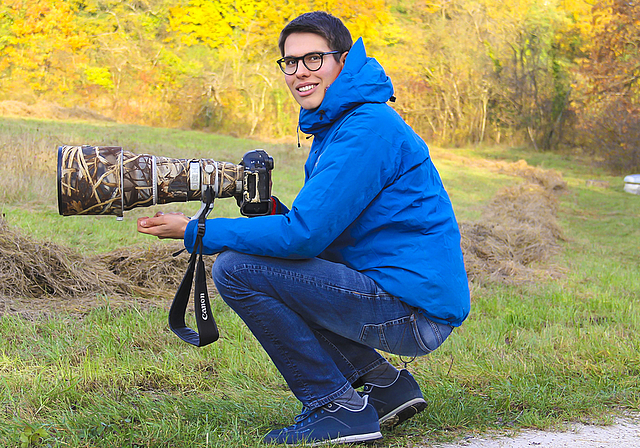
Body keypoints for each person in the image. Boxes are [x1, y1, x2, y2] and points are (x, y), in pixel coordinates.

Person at [137, 11, 470, 445]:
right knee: (272, 268)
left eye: (314, 59)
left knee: (236, 269)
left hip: (413, 311)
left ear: (343, 60)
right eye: (290, 62)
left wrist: (197, 232)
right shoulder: (342, 125)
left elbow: (304, 236)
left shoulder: (366, 128)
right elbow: (322, 230)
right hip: (402, 296)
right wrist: (268, 208)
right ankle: (386, 387)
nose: (299, 72)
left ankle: (336, 408)